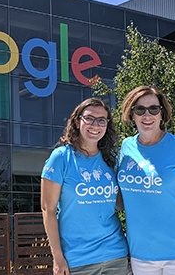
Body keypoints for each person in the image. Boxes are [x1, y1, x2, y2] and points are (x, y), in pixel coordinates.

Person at [117, 86, 175, 275]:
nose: (147, 115)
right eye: (140, 109)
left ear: (162, 114)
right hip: (141, 254)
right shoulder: (126, 147)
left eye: (153, 109)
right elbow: (122, 197)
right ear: (132, 114)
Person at [41, 98, 129, 275]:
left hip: (115, 254)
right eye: (89, 118)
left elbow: (121, 204)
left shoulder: (110, 159)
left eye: (101, 120)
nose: (95, 125)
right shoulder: (61, 157)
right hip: (77, 259)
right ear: (77, 121)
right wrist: (57, 258)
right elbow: (48, 210)